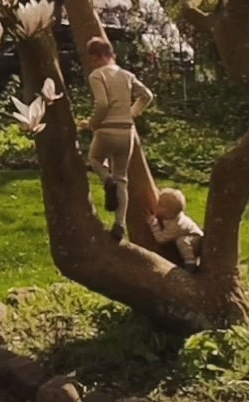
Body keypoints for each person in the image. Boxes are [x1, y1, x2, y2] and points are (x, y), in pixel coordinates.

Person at [84, 35, 153, 241]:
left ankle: (107, 180)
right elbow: (147, 96)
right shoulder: (127, 75)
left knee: (95, 160)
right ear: (111, 54)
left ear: (96, 57)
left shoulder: (97, 75)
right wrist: (131, 113)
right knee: (122, 178)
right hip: (126, 132)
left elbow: (103, 104)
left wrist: (92, 123)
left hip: (106, 130)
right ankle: (119, 225)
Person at [147, 187, 203, 269]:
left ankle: (190, 263)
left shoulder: (175, 225)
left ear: (168, 212)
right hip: (190, 236)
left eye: (160, 206)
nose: (157, 206)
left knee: (182, 241)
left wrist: (153, 224)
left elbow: (161, 239)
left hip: (196, 240)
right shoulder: (171, 216)